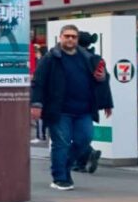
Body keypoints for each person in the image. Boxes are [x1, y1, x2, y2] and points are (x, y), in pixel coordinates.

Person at [31, 24, 113, 191]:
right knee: (61, 143)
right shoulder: (50, 58)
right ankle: (60, 178)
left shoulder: (88, 58)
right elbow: (38, 83)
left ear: (77, 39)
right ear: (60, 37)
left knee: (85, 139)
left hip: (83, 110)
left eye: (73, 37)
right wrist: (36, 104)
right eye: (67, 36)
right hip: (59, 110)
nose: (70, 39)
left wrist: (104, 93)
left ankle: (65, 167)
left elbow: (102, 79)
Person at [71, 31, 114, 174]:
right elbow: (104, 81)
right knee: (81, 133)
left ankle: (87, 155)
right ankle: (81, 162)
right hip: (89, 102)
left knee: (71, 134)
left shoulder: (75, 58)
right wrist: (107, 103)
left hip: (72, 102)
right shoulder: (96, 59)